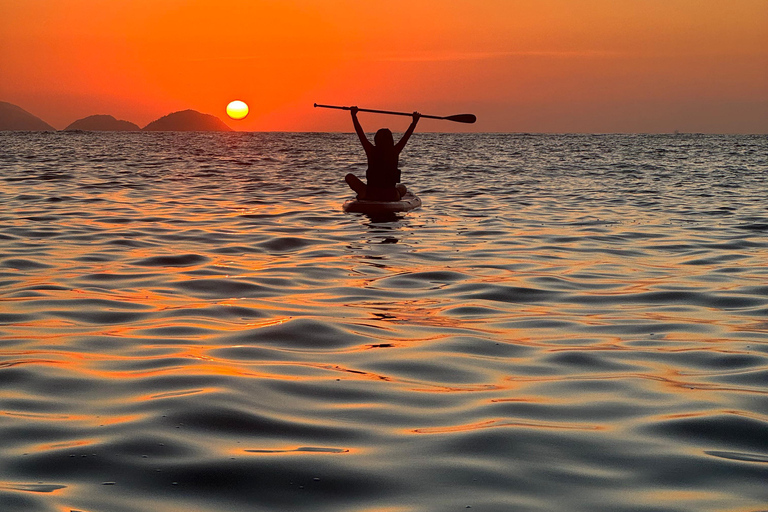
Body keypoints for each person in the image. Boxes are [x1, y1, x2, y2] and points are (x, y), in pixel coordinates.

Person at [345, 106, 420, 201]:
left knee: (349, 177)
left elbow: (360, 133)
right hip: (391, 195)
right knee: (402, 188)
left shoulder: (371, 150)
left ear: (376, 140)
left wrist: (353, 116)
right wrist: (414, 122)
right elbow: (407, 136)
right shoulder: (395, 151)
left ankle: (363, 194)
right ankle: (369, 194)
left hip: (371, 194)